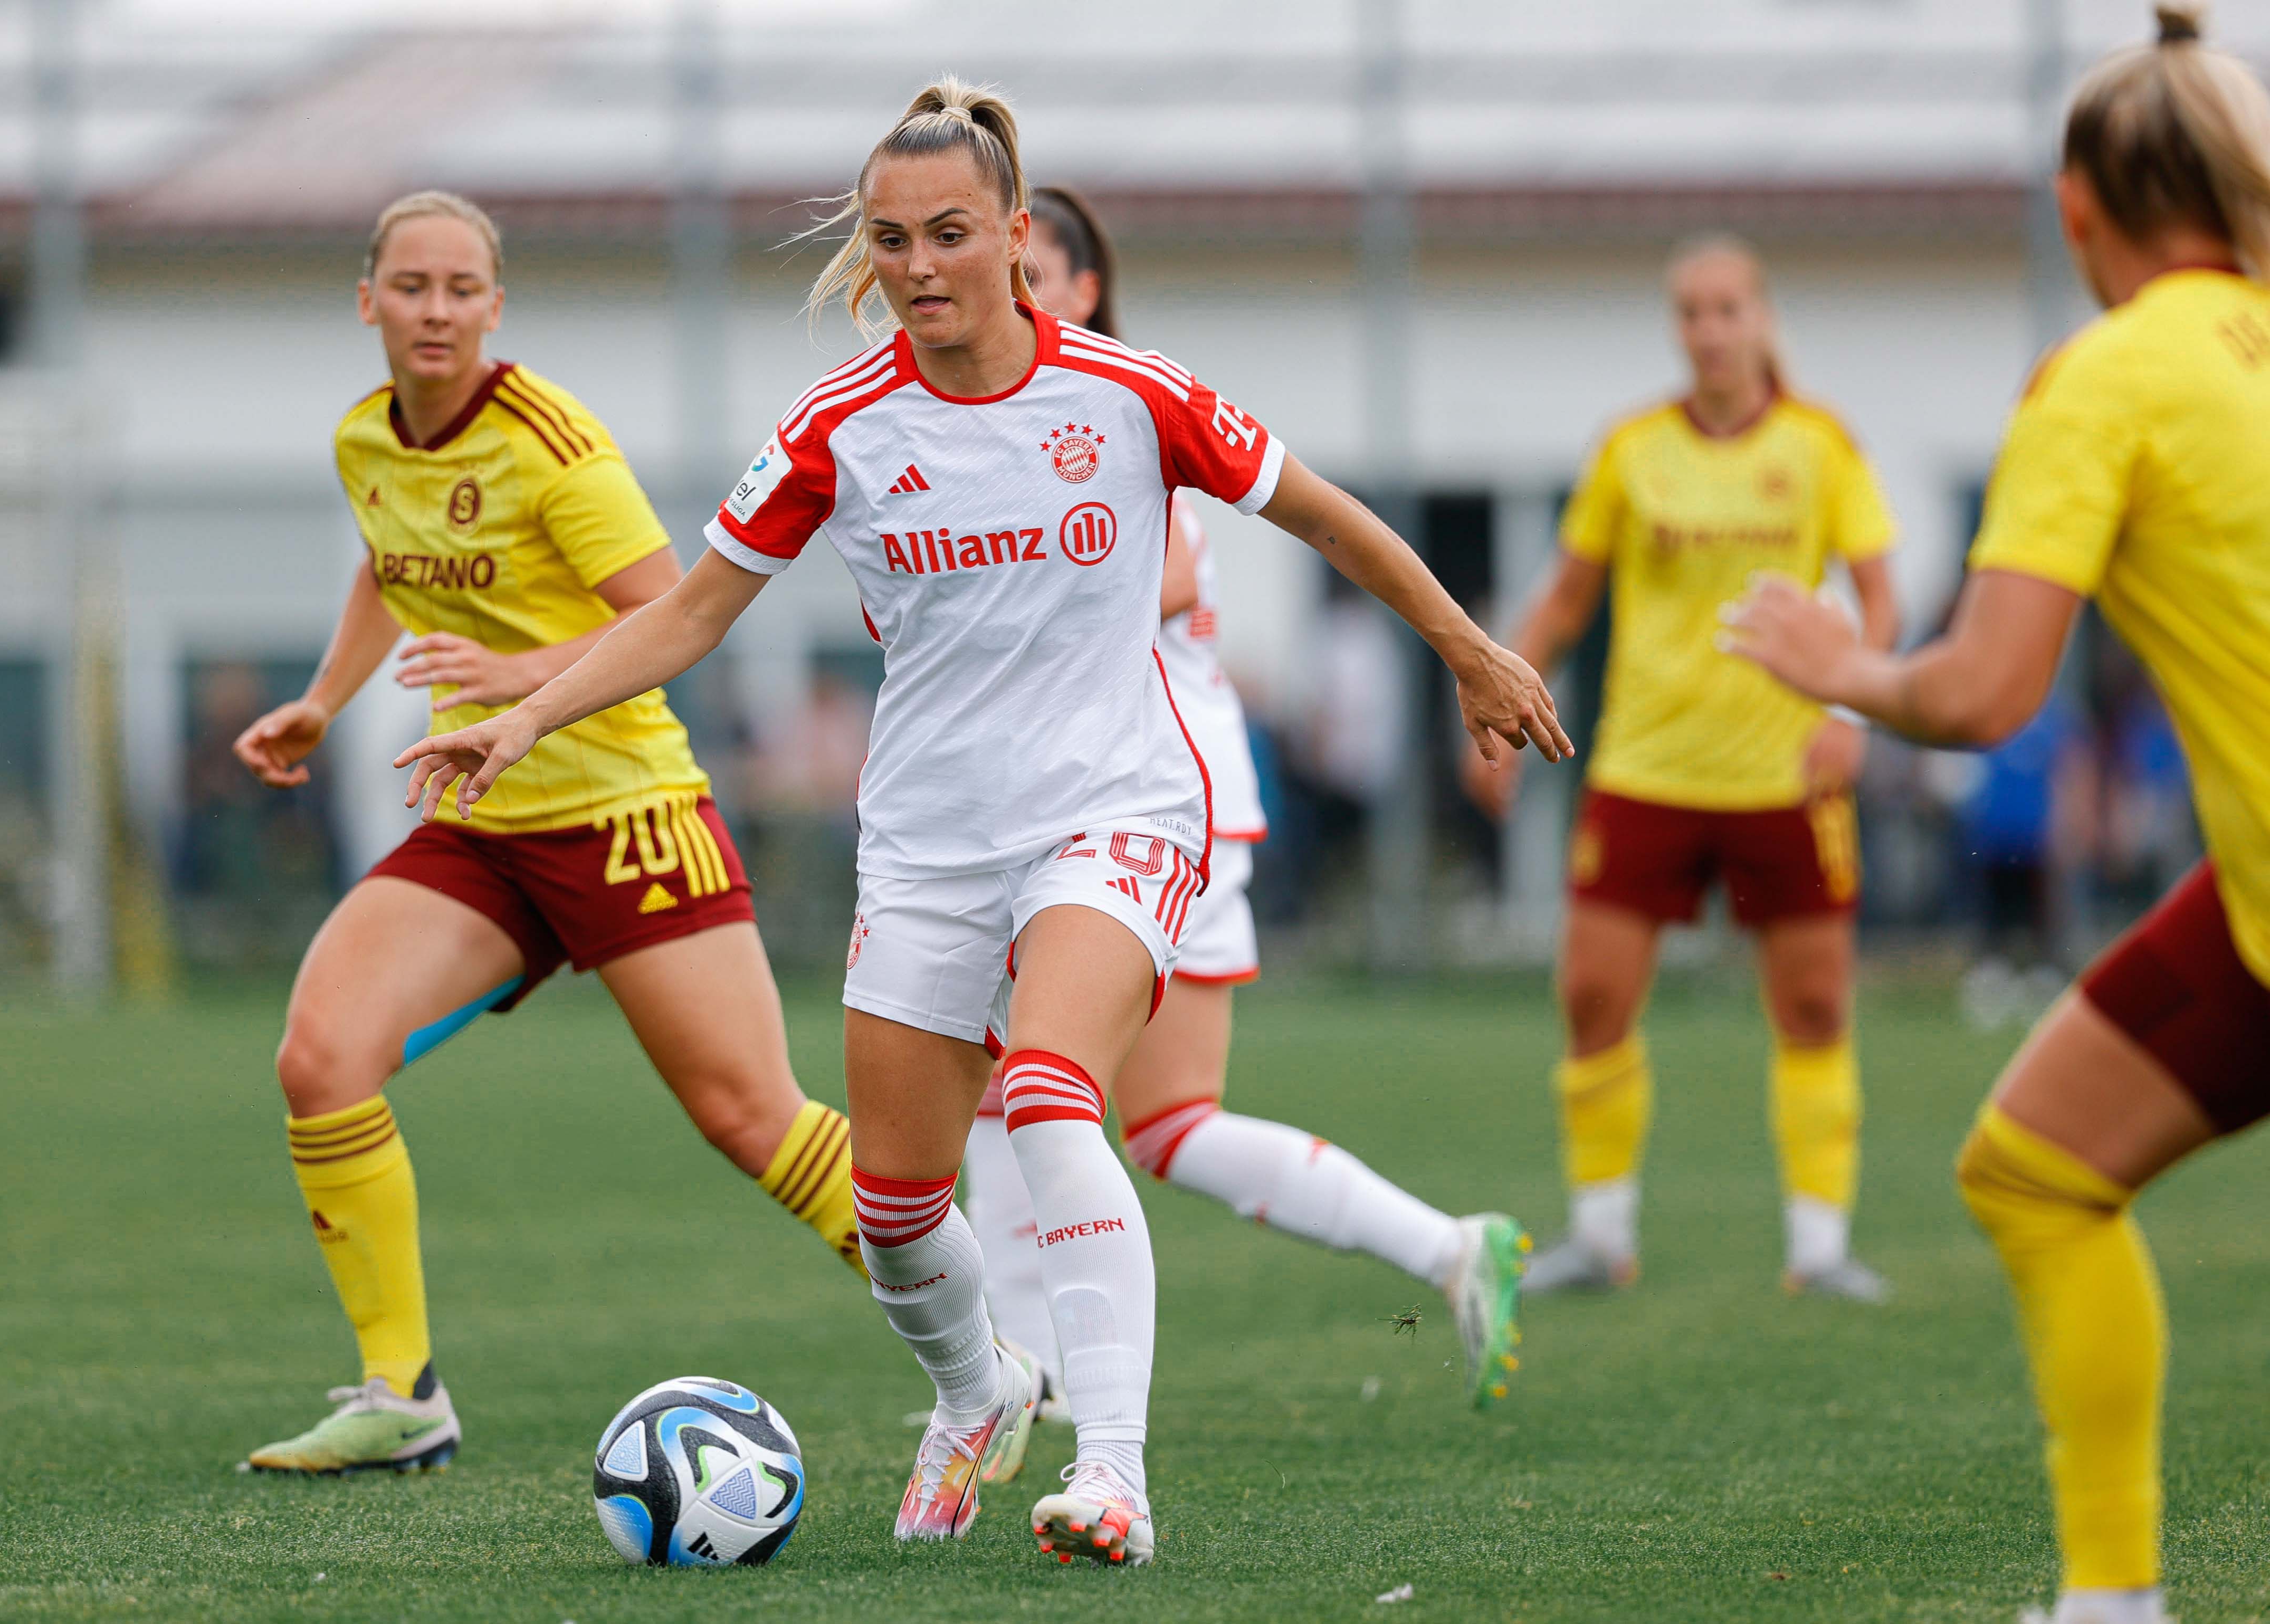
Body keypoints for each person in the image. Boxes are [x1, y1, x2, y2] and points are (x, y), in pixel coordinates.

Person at [397, 81, 1568, 1567]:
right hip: (932, 845)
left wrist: (1467, 644)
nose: (921, 263)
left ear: (1019, 236)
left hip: (1117, 814)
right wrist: (525, 712)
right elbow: (692, 610)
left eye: (952, 232)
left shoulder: (1133, 393)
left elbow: (1324, 513)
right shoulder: (839, 428)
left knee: (1065, 1097)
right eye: (892, 239)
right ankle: (978, 1384)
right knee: (895, 1208)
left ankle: (1116, 1477)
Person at [1722, 9, 2270, 1619]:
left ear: (2079, 212)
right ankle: (2111, 1600)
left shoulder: (2108, 373)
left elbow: (1988, 692)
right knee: (2037, 1165)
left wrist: (1838, 662)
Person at [229, 190, 867, 1477]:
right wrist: (322, 698)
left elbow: (673, 612)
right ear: (367, 299)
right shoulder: (367, 439)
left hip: (622, 811)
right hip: (483, 826)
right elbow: (384, 564)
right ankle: (401, 1391)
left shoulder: (547, 440)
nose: (434, 309)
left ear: (494, 306)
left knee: (750, 1114)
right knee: (320, 1055)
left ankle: (999, 1334)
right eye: (410, 285)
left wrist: (523, 676)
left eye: (461, 287)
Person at [960, 185, 1532, 1424]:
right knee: (1160, 1122)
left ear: (1082, 289)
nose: (1009, 295)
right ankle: (1445, 1246)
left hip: (1150, 806)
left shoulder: (1105, 409)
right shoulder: (1003, 424)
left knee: (1017, 1085)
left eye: (1031, 269)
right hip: (1139, 802)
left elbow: (1150, 574)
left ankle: (1022, 1376)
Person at [1467, 234, 1901, 1299]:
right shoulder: (1632, 450)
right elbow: (1566, 596)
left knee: (1813, 1009)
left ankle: (1820, 1251)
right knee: (1592, 998)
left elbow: (1880, 597)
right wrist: (1501, 696)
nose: (1709, 331)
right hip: (1647, 769)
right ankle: (1602, 1239)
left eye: (1726, 310)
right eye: (1691, 313)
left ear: (1761, 318)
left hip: (1784, 775)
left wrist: (1855, 704)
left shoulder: (1818, 443)